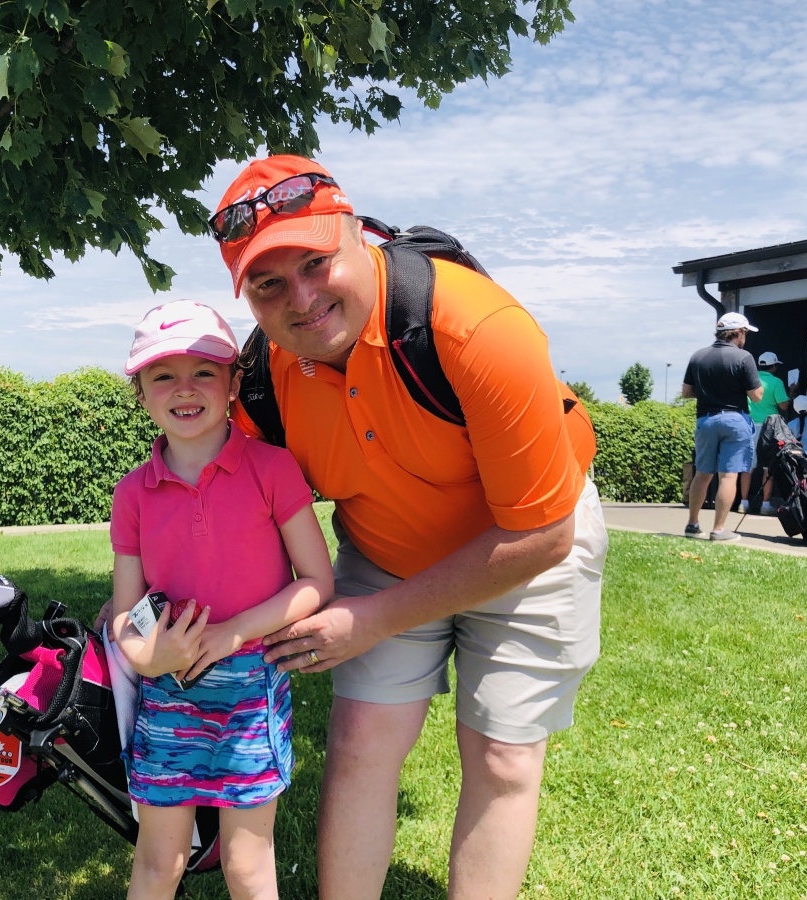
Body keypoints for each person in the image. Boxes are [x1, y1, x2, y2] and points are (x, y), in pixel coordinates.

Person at [210, 155, 607, 900]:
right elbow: (223, 507)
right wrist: (150, 600)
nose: (302, 298)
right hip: (386, 553)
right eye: (268, 284)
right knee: (360, 745)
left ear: (358, 235)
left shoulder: (478, 327)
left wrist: (372, 620)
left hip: (527, 548)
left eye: (316, 262)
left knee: (502, 759)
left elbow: (545, 534)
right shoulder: (263, 378)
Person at [109, 299, 334, 900]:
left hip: (250, 692)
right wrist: (146, 657)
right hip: (167, 693)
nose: (185, 388)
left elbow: (316, 581)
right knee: (159, 862)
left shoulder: (273, 469)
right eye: (163, 375)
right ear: (140, 393)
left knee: (246, 863)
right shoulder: (132, 494)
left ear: (235, 384)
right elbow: (125, 614)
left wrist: (234, 632)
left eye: (204, 371)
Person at [681, 312, 764, 541]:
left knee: (702, 474)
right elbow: (756, 396)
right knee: (728, 475)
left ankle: (692, 525)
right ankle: (718, 530)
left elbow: (686, 392)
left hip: (706, 420)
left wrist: (709, 392)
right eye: (745, 333)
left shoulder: (698, 356)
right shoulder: (743, 357)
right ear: (739, 333)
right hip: (735, 420)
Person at [740, 350, 790, 515]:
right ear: (773, 366)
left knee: (748, 467)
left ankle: (743, 503)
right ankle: (765, 505)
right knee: (768, 468)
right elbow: (783, 405)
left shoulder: (750, 379)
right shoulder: (776, 382)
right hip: (769, 427)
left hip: (750, 426)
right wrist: (792, 393)